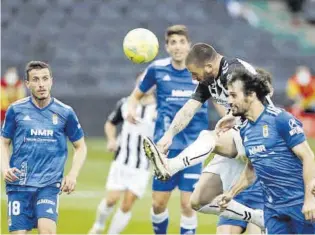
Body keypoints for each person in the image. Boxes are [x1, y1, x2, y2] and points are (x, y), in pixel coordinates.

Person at [142, 43, 271, 233]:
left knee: (208, 136)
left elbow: (255, 104)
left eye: (195, 74)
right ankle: (258, 218)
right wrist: (169, 135)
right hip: (237, 137)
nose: (194, 78)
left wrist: (232, 117)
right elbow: (189, 108)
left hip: (260, 136)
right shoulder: (210, 80)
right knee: (198, 201)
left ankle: (171, 166)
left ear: (209, 67)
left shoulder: (235, 72)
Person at [126, 25, 209, 234]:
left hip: (194, 148)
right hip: (164, 148)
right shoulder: (157, 69)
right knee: (158, 204)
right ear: (166, 46)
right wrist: (131, 108)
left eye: (182, 42)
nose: (178, 47)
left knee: (187, 204)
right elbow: (136, 95)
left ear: (189, 45)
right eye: (173, 42)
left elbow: (219, 100)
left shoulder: (201, 71)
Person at [217, 68, 315, 234]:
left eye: (233, 95)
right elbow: (251, 169)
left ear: (251, 94)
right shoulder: (245, 129)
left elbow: (308, 156)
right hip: (273, 211)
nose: (229, 100)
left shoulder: (280, 119)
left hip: (300, 206)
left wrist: (310, 199)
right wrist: (231, 193)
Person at [1, 61, 87, 234]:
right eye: (36, 79)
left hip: (49, 184)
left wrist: (72, 174)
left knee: (47, 230)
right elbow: (3, 141)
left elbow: (80, 147)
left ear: (51, 81)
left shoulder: (65, 112)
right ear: (27, 84)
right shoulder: (15, 110)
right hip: (19, 184)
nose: (41, 84)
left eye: (45, 79)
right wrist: (5, 168)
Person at [89, 73, 156, 234]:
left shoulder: (160, 109)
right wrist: (111, 140)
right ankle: (98, 226)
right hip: (122, 160)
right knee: (111, 199)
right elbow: (110, 124)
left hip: (143, 165)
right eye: (141, 80)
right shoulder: (126, 103)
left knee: (127, 204)